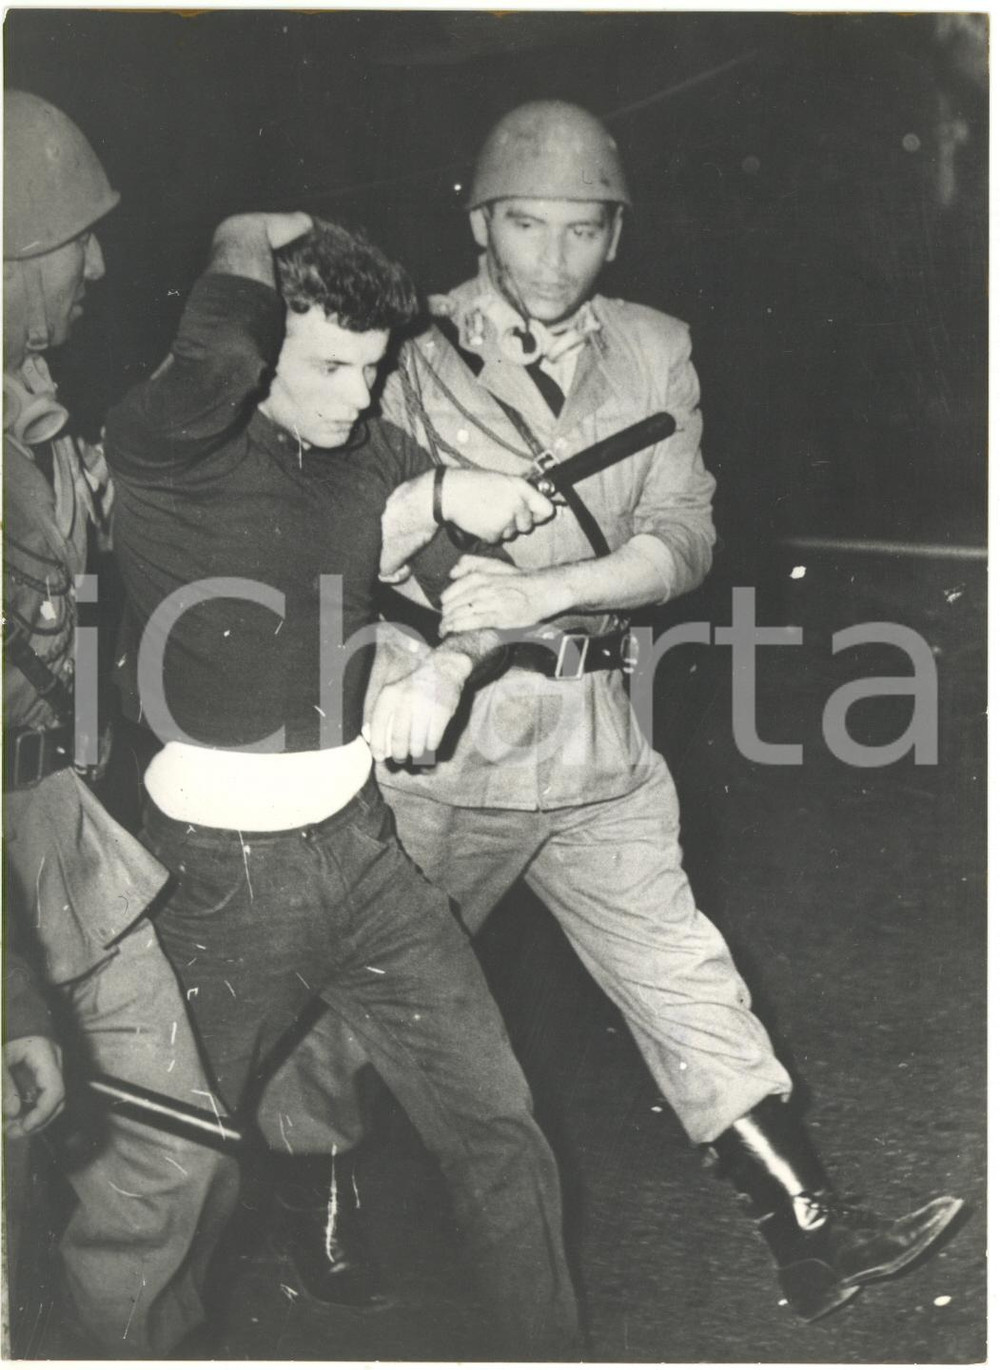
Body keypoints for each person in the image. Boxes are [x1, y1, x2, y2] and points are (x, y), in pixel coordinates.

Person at [277, 100, 965, 1324]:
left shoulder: (655, 348)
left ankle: (809, 1228)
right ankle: (315, 1191)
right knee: (374, 994)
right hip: (445, 739)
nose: (552, 258)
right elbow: (358, 532)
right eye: (525, 226)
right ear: (480, 222)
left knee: (680, 970)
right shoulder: (405, 348)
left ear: (617, 234)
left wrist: (547, 587)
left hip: (596, 732)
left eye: (582, 230)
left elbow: (682, 539)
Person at [102, 209, 581, 1358]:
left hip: (362, 858)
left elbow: (474, 589)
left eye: (374, 370)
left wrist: (452, 665)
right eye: (326, 367)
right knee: (163, 1181)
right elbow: (218, 345)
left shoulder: (371, 452)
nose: (358, 397)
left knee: (499, 1123)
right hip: (217, 881)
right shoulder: (169, 441)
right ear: (263, 353)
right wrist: (240, 234)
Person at [2, 90, 240, 1357]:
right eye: (69, 241)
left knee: (170, 1156)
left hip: (56, 831)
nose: (98, 263)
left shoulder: (27, 397)